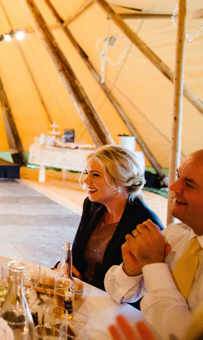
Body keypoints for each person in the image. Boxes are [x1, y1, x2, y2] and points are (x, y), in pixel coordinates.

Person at [104, 149, 203, 340]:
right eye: (177, 176)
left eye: (189, 184)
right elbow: (118, 291)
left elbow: (184, 333)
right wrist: (130, 271)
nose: (174, 187)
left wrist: (153, 264)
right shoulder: (174, 236)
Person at [70, 145, 163, 291]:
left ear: (120, 180)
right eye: (87, 173)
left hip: (116, 302)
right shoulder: (92, 205)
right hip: (82, 290)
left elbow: (145, 285)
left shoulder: (144, 224)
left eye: (95, 174)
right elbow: (77, 253)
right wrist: (64, 265)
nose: (87, 180)